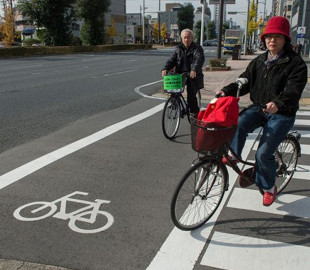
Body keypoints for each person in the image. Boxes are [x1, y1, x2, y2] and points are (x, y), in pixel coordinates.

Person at [217, 16, 308, 206]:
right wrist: (226, 91)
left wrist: (278, 103)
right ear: (264, 39)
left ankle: (269, 187)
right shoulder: (259, 61)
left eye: (277, 37)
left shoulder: (296, 63)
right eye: (268, 37)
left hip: (282, 113)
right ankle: (235, 155)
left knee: (263, 154)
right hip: (260, 108)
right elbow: (245, 81)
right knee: (239, 123)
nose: (272, 41)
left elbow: (293, 90)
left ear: (285, 40)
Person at [161, 29, 205, 117]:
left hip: (193, 75)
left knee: (191, 95)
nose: (186, 39)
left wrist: (194, 70)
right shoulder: (178, 48)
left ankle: (194, 113)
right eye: (184, 38)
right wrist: (165, 68)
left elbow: (199, 59)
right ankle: (174, 102)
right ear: (181, 39)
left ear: (192, 38)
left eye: (188, 37)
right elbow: (172, 60)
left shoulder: (197, 48)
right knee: (173, 89)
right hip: (180, 74)